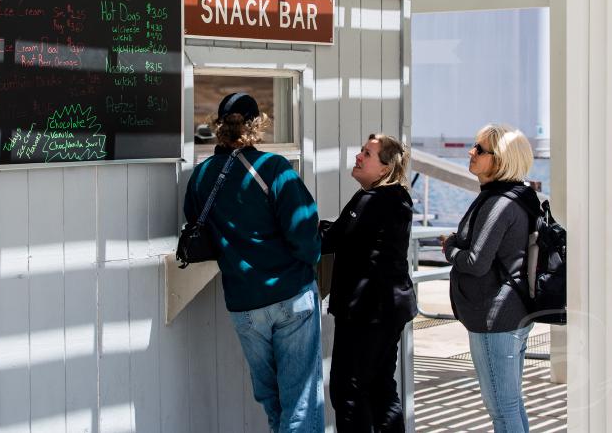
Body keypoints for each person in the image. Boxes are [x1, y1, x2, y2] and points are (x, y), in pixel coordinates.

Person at [183, 92, 324, 433]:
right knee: (301, 403)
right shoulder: (274, 169)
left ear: (219, 128)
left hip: (244, 303)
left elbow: (196, 226)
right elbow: (306, 236)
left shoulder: (201, 177)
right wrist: (310, 259)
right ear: (258, 126)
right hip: (291, 295)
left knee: (272, 399)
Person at [441, 124, 542, 433]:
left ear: (499, 160)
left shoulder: (499, 203)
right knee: (511, 404)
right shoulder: (519, 197)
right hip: (514, 312)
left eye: (480, 150)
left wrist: (450, 248)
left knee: (502, 408)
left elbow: (475, 261)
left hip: (495, 317)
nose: (471, 153)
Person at [319, 133, 417, 432]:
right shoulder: (400, 197)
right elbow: (351, 232)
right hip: (392, 308)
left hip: (367, 311)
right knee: (381, 387)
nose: (358, 157)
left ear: (385, 168)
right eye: (361, 150)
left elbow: (330, 240)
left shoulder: (370, 199)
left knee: (347, 391)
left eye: (367, 154)